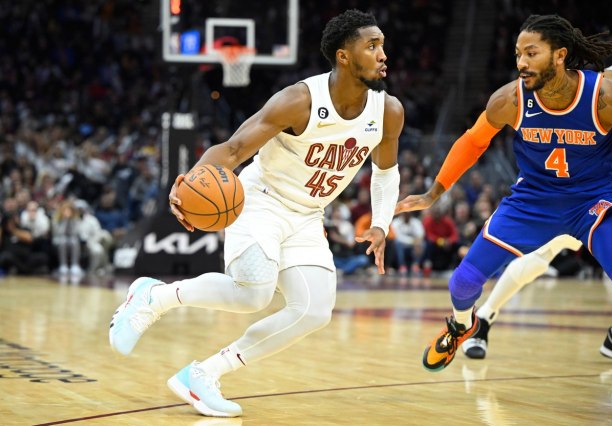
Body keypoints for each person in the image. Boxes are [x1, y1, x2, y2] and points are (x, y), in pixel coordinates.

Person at [109, 9, 403, 417]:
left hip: (308, 214)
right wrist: (189, 182)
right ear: (344, 56)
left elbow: (386, 173)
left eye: (382, 45)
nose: (383, 54)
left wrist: (381, 224)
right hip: (262, 199)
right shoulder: (300, 100)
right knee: (254, 293)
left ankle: (204, 374)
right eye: (372, 46)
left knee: (314, 310)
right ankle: (153, 297)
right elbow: (233, 150)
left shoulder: (388, 111)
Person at [396, 14, 612, 372]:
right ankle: (462, 326)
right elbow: (473, 141)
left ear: (560, 55)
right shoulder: (511, 98)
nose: (521, 62)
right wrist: (433, 193)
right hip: (532, 202)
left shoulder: (605, 97)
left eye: (531, 53)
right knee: (462, 283)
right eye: (517, 54)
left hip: (593, 201)